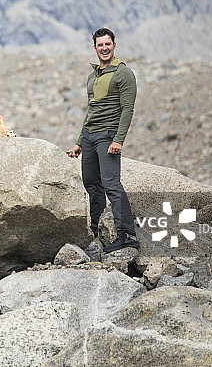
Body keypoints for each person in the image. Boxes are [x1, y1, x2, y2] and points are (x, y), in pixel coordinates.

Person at [67, 27, 139, 253]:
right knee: (91, 183)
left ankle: (127, 236)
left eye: (108, 44)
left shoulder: (123, 73)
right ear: (95, 48)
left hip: (108, 136)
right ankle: (97, 232)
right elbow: (91, 110)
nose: (104, 48)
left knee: (111, 185)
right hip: (89, 138)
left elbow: (128, 109)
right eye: (100, 45)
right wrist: (79, 141)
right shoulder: (93, 76)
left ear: (114, 46)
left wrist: (119, 140)